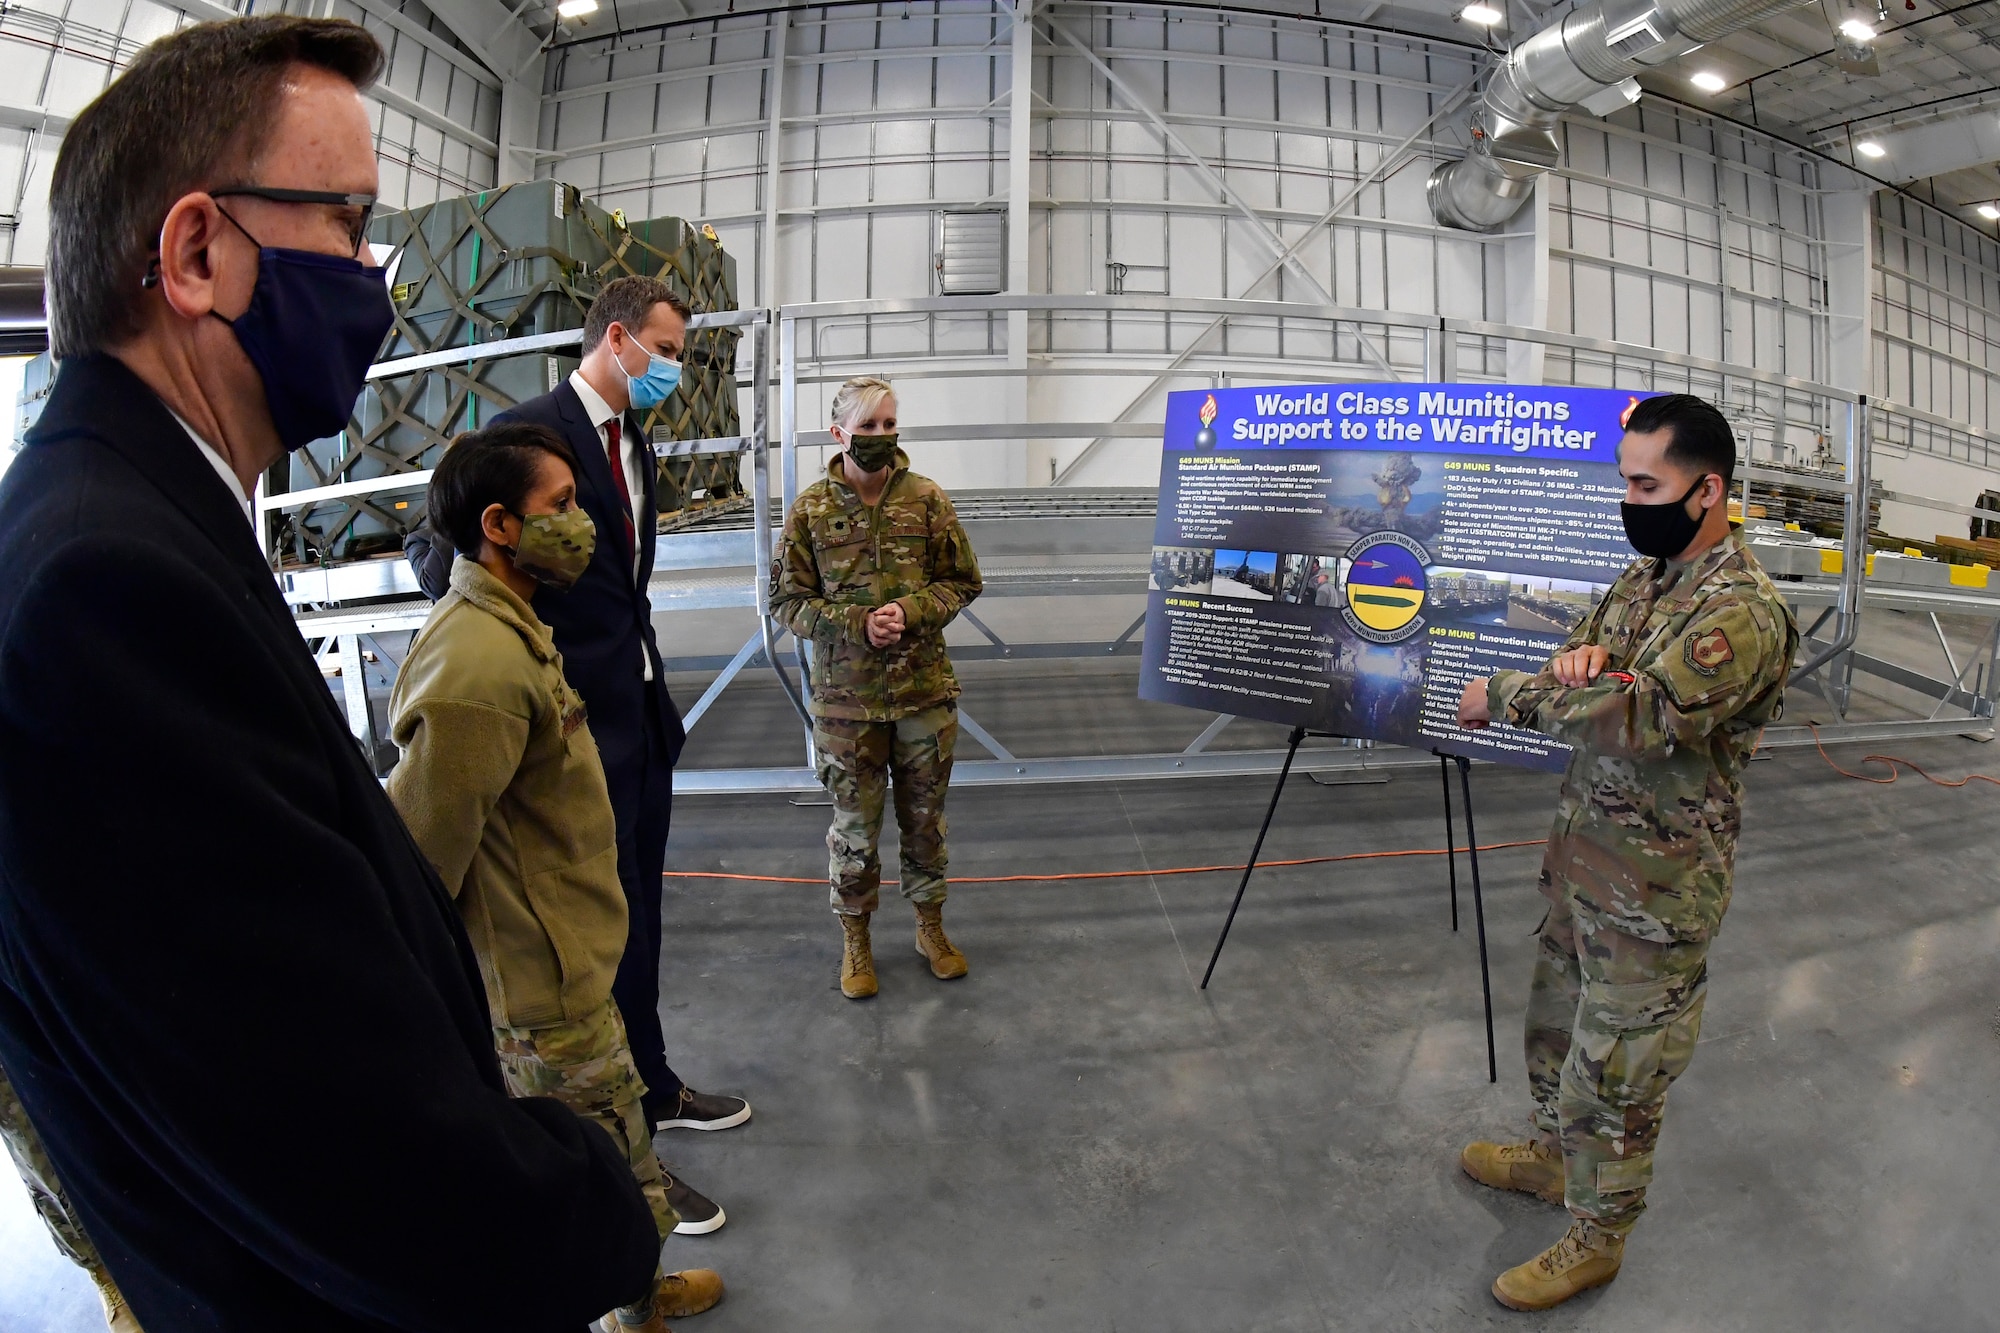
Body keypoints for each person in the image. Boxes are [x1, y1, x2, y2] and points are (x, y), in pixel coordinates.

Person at [0, 17, 664, 1329]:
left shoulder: (134, 513)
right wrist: (592, 1202)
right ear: (196, 253)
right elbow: (327, 1131)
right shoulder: (104, 587)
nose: (378, 275)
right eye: (350, 225)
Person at [1455, 393, 1799, 1312]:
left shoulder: (1742, 611)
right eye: (1625, 481)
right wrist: (1573, 667)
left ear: (1708, 489)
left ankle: (1598, 1236)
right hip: (1588, 859)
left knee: (1621, 1067)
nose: (1630, 498)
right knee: (1559, 1023)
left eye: (1647, 483)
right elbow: (1585, 654)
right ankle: (1549, 1155)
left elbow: (1638, 714)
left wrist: (1510, 693)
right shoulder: (1645, 581)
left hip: (1659, 889)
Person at [387, 424, 724, 1333]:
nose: (584, 524)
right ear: (498, 525)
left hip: (573, 962)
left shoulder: (514, 629)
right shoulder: (477, 666)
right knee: (594, 1173)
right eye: (562, 508)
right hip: (540, 995)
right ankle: (624, 1311)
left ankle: (634, 1293)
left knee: (620, 1158)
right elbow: (421, 862)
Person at [411, 279, 750, 1163]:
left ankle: (654, 1080)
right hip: (567, 724)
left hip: (637, 711)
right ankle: (612, 1130)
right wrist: (518, 633)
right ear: (619, 337)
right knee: (587, 929)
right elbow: (433, 545)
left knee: (638, 910)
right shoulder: (529, 435)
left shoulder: (633, 440)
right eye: (666, 350)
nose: (673, 368)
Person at [770, 376, 984, 1000]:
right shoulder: (811, 510)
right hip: (846, 704)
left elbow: (963, 580)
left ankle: (930, 929)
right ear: (839, 434)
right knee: (855, 829)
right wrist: (854, 623)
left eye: (889, 425)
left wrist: (911, 612)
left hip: (922, 694)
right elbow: (786, 599)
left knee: (925, 822)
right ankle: (856, 939)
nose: (882, 438)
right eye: (868, 428)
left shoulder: (926, 499)